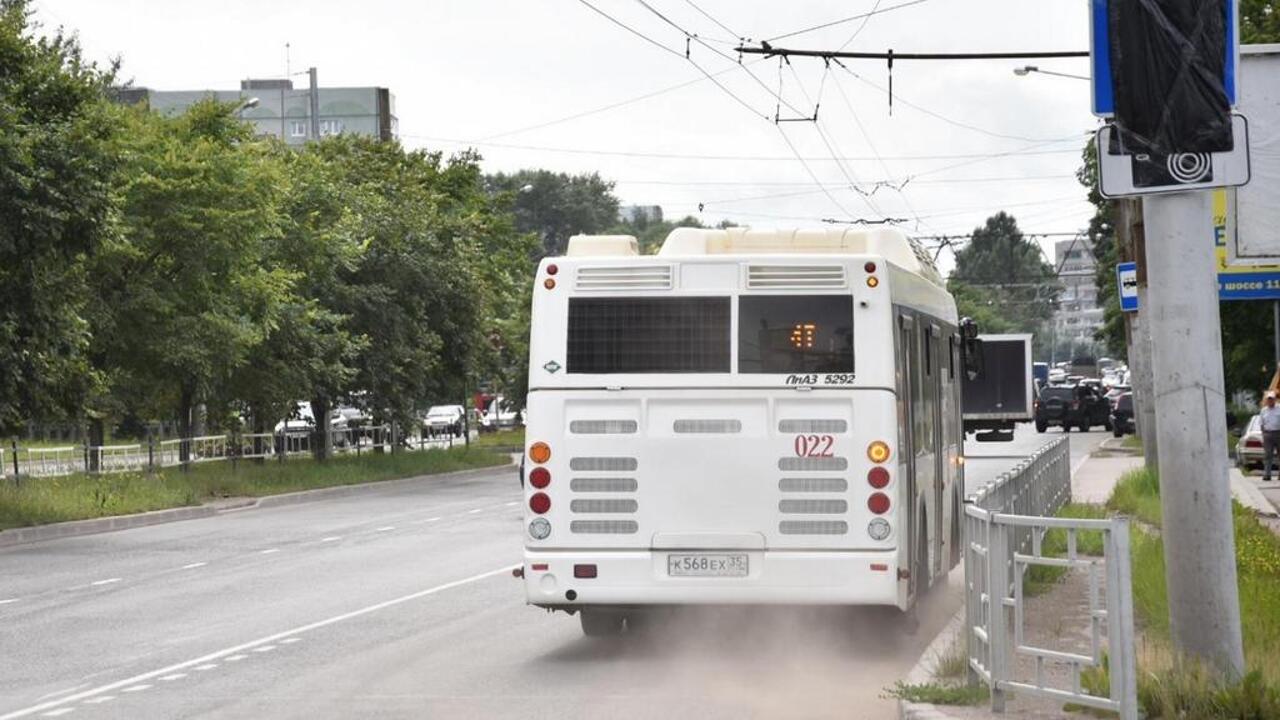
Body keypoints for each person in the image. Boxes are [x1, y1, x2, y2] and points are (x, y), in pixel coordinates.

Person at [1261, 393, 1280, 481]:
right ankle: (1267, 474)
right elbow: (1262, 423)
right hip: (1267, 434)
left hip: (1278, 432)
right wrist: (1264, 434)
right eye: (1268, 399)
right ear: (1266, 400)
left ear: (1275, 400)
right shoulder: (1264, 410)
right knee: (1268, 455)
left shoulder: (1279, 408)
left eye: (1271, 399)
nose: (1270, 401)